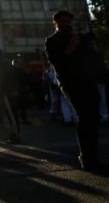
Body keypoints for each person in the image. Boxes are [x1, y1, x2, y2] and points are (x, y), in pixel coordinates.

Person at [44, 11, 102, 170]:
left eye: (69, 20)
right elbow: (57, 62)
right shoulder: (52, 41)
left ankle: (93, 156)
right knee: (85, 117)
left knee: (94, 117)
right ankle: (87, 158)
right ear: (55, 22)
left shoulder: (79, 37)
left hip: (88, 80)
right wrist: (71, 47)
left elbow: (93, 57)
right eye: (62, 20)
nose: (67, 23)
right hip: (72, 83)